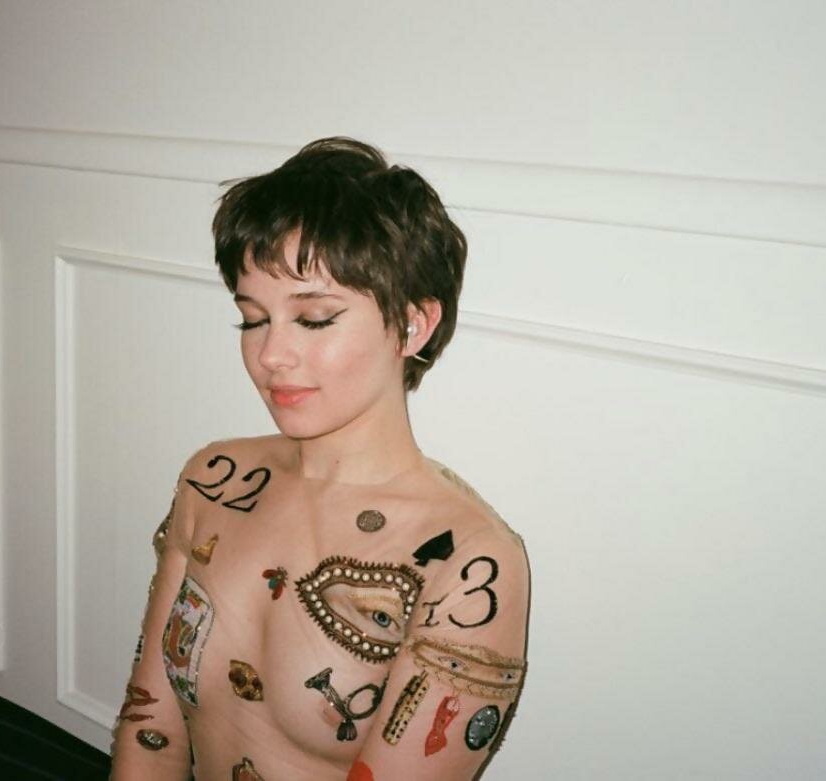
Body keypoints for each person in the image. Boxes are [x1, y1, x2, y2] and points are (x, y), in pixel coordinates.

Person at [110, 137, 530, 781]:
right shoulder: (214, 480)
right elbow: (151, 727)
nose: (270, 355)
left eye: (313, 319)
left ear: (413, 325)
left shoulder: (472, 563)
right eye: (253, 320)